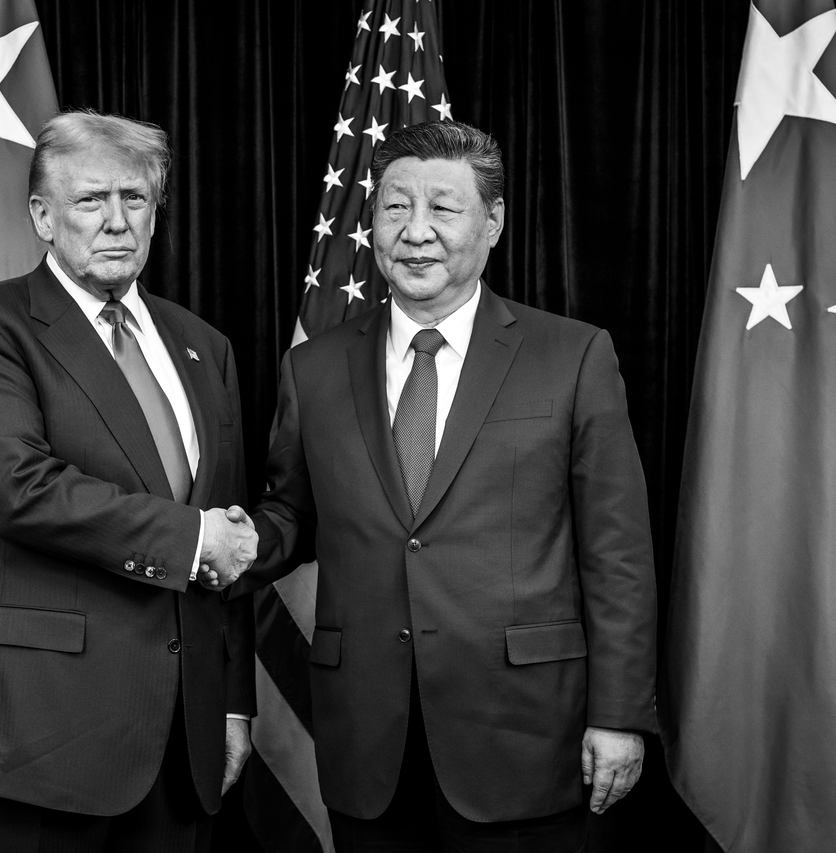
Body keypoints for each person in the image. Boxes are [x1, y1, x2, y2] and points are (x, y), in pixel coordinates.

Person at [211, 121, 657, 852]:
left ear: (493, 222)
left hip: (523, 734)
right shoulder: (314, 368)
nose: (415, 231)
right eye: (394, 208)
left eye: (442, 209)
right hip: (366, 736)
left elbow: (619, 556)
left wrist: (620, 714)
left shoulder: (573, 355)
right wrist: (230, 541)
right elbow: (294, 512)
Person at [0, 111, 258, 853]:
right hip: (36, 732)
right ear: (42, 216)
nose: (116, 221)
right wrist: (195, 536)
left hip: (180, 741)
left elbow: (225, 543)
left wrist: (232, 704)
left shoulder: (206, 347)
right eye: (89, 201)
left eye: (134, 199)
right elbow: (20, 487)